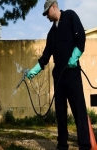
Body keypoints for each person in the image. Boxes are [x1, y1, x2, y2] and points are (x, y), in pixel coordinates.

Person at [26, 0, 91, 150]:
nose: (46, 17)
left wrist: (74, 57)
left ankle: (85, 144)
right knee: (60, 111)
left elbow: (80, 37)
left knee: (79, 109)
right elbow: (45, 57)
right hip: (59, 78)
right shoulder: (51, 34)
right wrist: (32, 72)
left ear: (53, 7)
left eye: (47, 13)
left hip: (73, 74)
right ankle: (62, 144)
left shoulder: (70, 16)